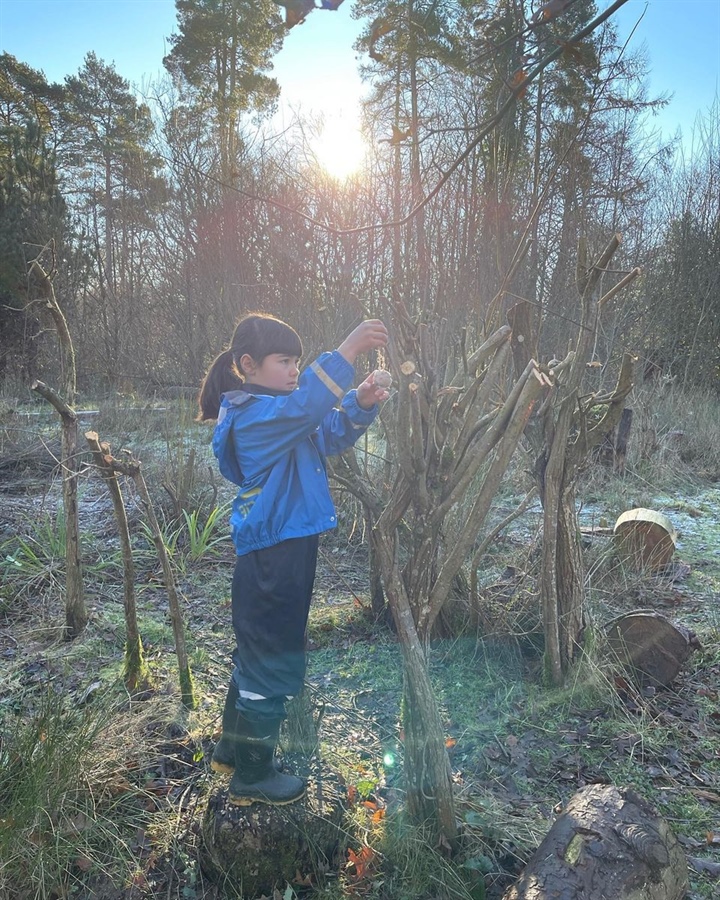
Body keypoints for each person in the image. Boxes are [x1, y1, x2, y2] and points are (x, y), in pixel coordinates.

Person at [197, 313, 389, 806]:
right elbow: (308, 407)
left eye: (298, 362)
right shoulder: (252, 417)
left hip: (286, 549)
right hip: (272, 559)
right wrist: (345, 350)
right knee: (272, 660)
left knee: (256, 654)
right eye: (285, 361)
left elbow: (325, 431)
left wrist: (361, 403)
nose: (292, 371)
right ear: (247, 365)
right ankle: (254, 777)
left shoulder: (279, 412)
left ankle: (231, 751)